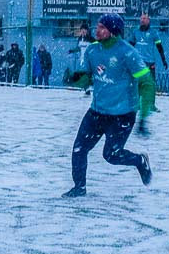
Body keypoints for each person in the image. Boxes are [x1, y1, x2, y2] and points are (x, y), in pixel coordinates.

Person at [63, 14, 155, 198]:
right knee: (79, 149)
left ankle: (139, 161)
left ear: (113, 32)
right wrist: (75, 79)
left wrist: (144, 115)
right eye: (97, 26)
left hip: (122, 114)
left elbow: (147, 82)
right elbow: (87, 78)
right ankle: (79, 187)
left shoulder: (127, 52)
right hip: (97, 112)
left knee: (112, 155)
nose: (97, 30)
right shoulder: (92, 50)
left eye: (102, 27)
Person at [128, 14, 168, 135]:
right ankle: (138, 105)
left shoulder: (153, 33)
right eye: (141, 19)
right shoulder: (135, 32)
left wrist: (163, 59)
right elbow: (129, 46)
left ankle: (152, 105)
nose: (142, 20)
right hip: (138, 63)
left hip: (150, 62)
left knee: (151, 85)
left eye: (144, 19)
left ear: (149, 20)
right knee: (137, 85)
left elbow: (159, 46)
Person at [68, 22, 95, 94]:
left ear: (87, 31)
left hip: (89, 59)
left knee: (88, 73)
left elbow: (97, 47)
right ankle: (87, 88)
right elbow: (78, 48)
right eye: (82, 30)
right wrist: (72, 51)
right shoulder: (80, 39)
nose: (83, 31)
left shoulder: (91, 39)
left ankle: (90, 86)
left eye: (85, 30)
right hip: (82, 59)